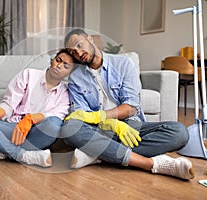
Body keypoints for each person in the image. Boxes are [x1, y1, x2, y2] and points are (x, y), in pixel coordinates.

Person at [61, 28, 194, 180]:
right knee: (69, 128)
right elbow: (81, 114)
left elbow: (131, 108)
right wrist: (108, 123)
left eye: (79, 45)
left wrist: (102, 116)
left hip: (130, 127)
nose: (78, 53)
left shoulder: (123, 64)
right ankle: (148, 163)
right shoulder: (75, 77)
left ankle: (98, 155)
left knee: (179, 132)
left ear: (90, 39)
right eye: (73, 52)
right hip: (98, 130)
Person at [0, 49, 76, 167]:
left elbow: (57, 117)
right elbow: (9, 105)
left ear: (69, 73)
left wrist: (30, 119)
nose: (59, 66)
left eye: (66, 66)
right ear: (52, 61)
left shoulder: (65, 93)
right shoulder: (28, 75)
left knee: (54, 124)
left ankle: (0, 151)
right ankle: (22, 155)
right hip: (12, 128)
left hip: (36, 134)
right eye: (58, 60)